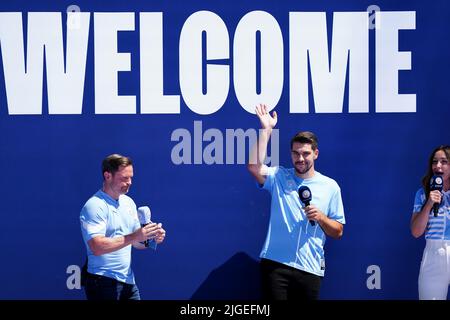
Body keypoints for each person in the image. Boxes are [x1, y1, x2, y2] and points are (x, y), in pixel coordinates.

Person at [247, 104, 345, 300]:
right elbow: (254, 167)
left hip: (310, 269)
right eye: (295, 153)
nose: (300, 158)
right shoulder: (280, 176)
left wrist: (321, 218)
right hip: (275, 266)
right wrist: (266, 131)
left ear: (315, 154)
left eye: (306, 153)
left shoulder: (331, 186)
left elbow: (338, 231)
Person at [80, 154, 166, 300]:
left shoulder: (129, 203)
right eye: (124, 178)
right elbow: (97, 246)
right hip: (102, 283)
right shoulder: (94, 206)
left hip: (129, 282)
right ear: (108, 176)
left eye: (131, 178)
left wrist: (150, 237)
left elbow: (136, 243)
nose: (130, 182)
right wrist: (135, 236)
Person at [410, 145, 450, 300]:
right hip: (433, 254)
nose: (438, 166)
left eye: (444, 161)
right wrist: (428, 205)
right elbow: (416, 232)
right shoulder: (422, 193)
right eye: (435, 162)